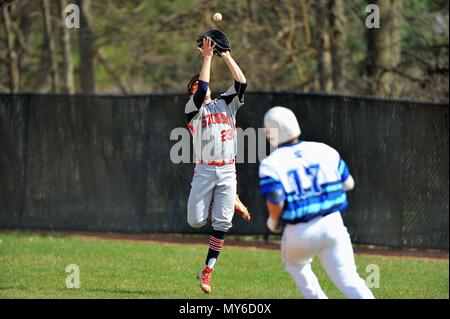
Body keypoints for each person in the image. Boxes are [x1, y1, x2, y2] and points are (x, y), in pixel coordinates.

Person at [259, 106, 375, 299]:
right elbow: (348, 183)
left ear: (270, 132)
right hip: (332, 224)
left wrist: (273, 221)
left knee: (297, 266)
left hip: (298, 232)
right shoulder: (324, 149)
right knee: (350, 281)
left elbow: (276, 198)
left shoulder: (271, 163)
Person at [185, 37, 249, 294]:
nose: (199, 87)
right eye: (194, 86)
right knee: (196, 221)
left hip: (227, 170)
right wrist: (207, 57)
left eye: (200, 84)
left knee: (223, 223)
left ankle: (208, 269)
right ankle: (226, 199)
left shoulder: (225, 103)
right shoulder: (192, 109)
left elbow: (242, 83)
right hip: (204, 171)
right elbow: (201, 90)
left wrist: (226, 55)